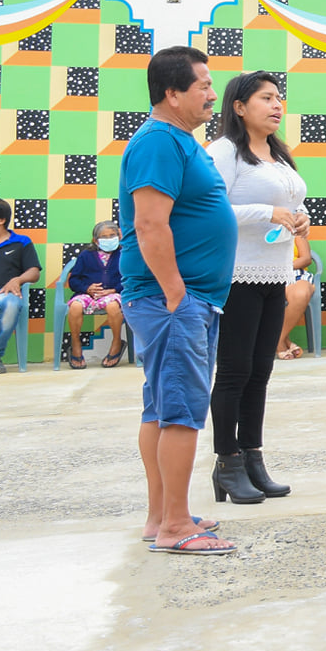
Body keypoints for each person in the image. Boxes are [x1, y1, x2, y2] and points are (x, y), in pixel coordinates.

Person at [121, 47, 237, 554]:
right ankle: (173, 528)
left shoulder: (179, 141)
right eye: (203, 85)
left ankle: (162, 516)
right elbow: (150, 224)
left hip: (186, 299)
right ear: (172, 93)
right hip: (172, 300)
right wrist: (176, 294)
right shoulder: (159, 142)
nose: (213, 94)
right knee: (182, 412)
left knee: (162, 409)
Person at [205, 70, 310, 505]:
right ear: (239, 106)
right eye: (266, 98)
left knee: (260, 371)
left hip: (275, 271)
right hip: (237, 273)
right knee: (234, 371)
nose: (276, 105)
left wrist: (300, 218)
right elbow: (209, 209)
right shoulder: (224, 151)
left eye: (278, 97)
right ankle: (226, 462)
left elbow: (293, 203)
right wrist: (265, 212)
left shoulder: (278, 154)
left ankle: (252, 457)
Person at [0, 198, 41, 375]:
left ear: (0, 220)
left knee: (13, 304)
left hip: (0, 293)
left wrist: (18, 280)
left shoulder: (21, 242)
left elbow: (34, 272)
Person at [61, 220, 127, 370]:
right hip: (87, 295)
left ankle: (117, 342)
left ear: (119, 236)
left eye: (112, 235)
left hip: (113, 294)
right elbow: (74, 281)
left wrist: (114, 290)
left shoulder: (124, 254)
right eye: (104, 237)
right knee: (75, 307)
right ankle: (75, 344)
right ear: (96, 240)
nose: (109, 239)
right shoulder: (86, 255)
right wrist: (87, 288)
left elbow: (129, 278)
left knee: (113, 306)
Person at [279, 235, 315, 361]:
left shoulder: (297, 234)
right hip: (268, 276)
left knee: (301, 294)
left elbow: (306, 259)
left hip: (295, 273)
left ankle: (277, 340)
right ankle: (284, 341)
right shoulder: (259, 232)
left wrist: (283, 268)